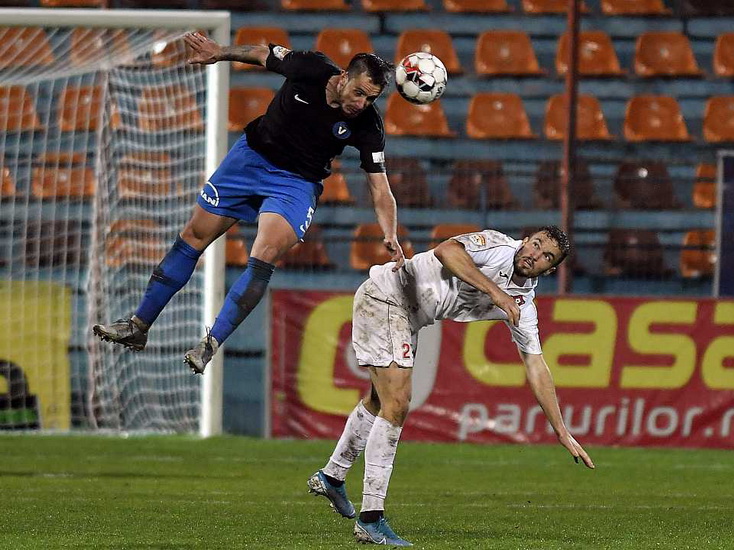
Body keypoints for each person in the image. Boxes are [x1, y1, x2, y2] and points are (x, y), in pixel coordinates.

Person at [93, 32, 405, 374]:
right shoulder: (311, 67)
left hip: (296, 184)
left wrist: (389, 232)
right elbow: (261, 53)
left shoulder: (368, 125)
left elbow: (379, 186)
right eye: (359, 92)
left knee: (264, 253)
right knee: (192, 237)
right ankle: (139, 326)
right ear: (343, 77)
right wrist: (219, 52)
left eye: (370, 98)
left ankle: (210, 344)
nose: (361, 103)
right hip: (249, 159)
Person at [307, 226, 595, 547]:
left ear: (551, 269)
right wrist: (494, 292)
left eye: (546, 256)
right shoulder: (496, 245)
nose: (535, 255)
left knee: (380, 401)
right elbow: (447, 251)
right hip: (388, 295)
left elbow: (536, 366)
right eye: (536, 245)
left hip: (408, 316)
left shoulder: (523, 304)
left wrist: (561, 431)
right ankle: (370, 518)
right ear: (526, 239)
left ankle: (332, 476)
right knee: (398, 403)